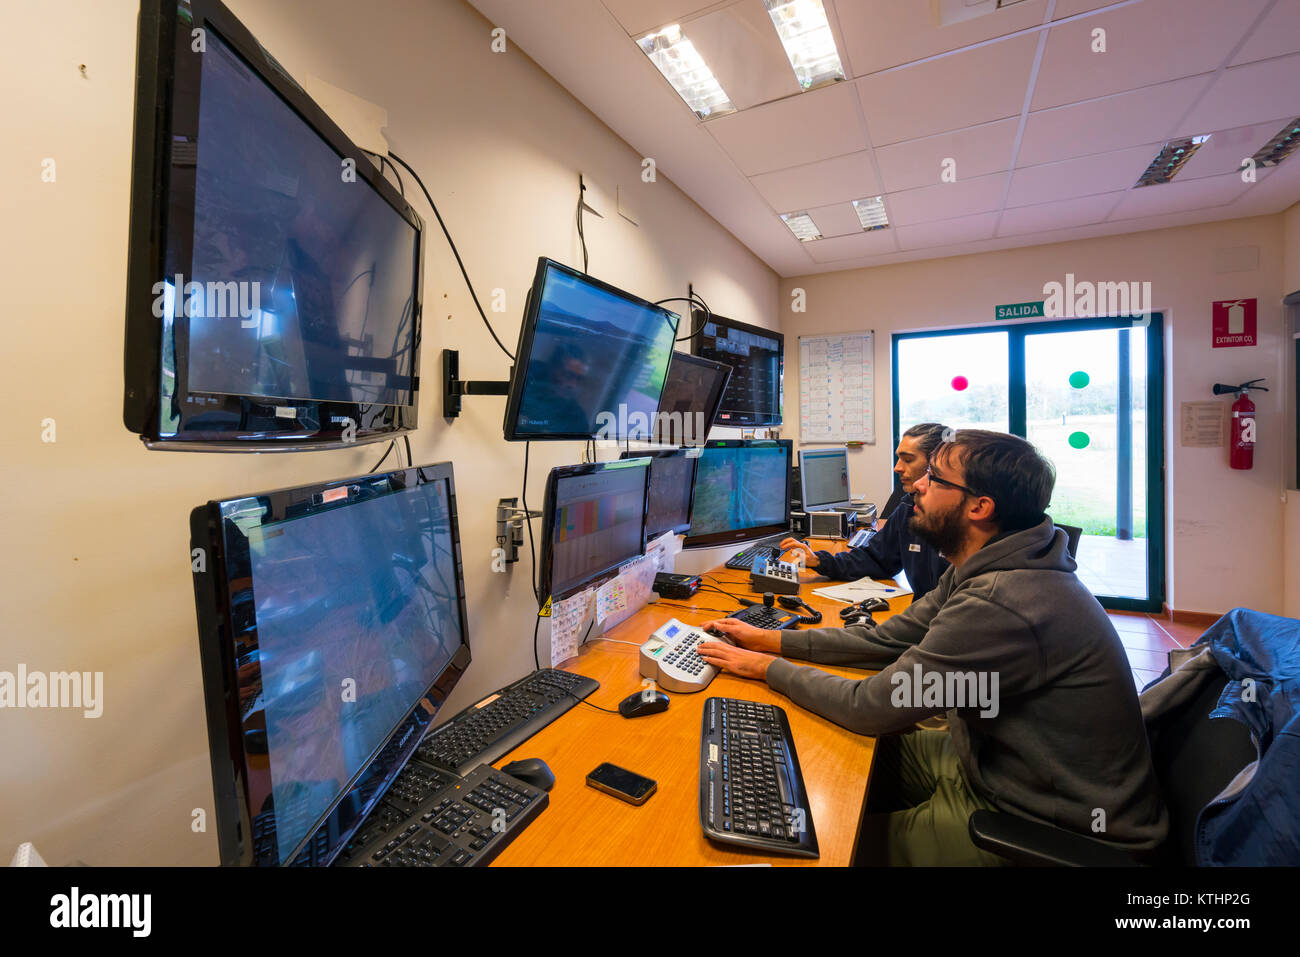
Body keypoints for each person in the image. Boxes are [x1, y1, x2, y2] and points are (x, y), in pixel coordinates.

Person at [698, 429, 1167, 865]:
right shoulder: (984, 564)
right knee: (822, 765)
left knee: (830, 840)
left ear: (979, 507)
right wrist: (774, 639)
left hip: (1047, 821)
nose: (913, 487)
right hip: (990, 765)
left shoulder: (1004, 599)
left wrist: (764, 667)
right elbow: (886, 638)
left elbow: (870, 706)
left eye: (933, 477)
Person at [782, 422, 950, 601]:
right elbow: (875, 560)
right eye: (899, 459)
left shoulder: (959, 520)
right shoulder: (908, 508)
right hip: (925, 618)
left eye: (908, 460)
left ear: (936, 464)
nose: (897, 467)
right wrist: (819, 561)